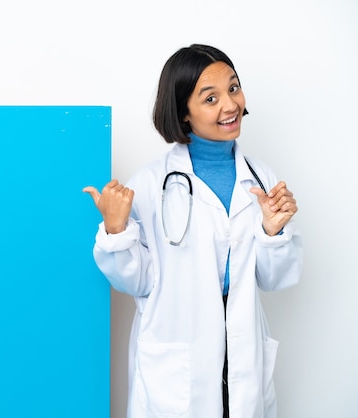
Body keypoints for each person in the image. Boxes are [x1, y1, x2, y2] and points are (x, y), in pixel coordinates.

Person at [83, 44, 303, 418]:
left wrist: (272, 232)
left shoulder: (262, 178)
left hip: (241, 359)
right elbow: (135, 281)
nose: (230, 106)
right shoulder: (153, 184)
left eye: (233, 89)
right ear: (183, 112)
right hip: (177, 365)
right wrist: (116, 228)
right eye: (210, 98)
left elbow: (274, 279)